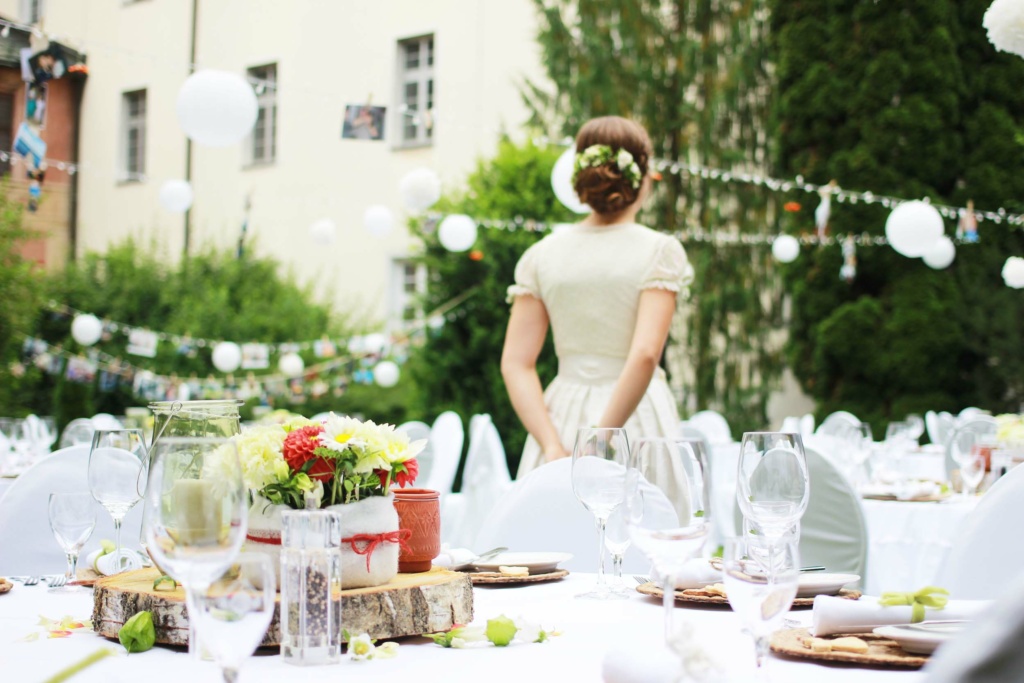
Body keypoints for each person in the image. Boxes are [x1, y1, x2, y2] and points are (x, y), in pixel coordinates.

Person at [502, 116, 694, 479]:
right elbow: (645, 355)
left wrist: (551, 446)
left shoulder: (541, 254)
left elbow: (516, 363)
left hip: (562, 416)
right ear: (642, 175)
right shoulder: (660, 251)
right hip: (635, 418)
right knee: (643, 525)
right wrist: (603, 438)